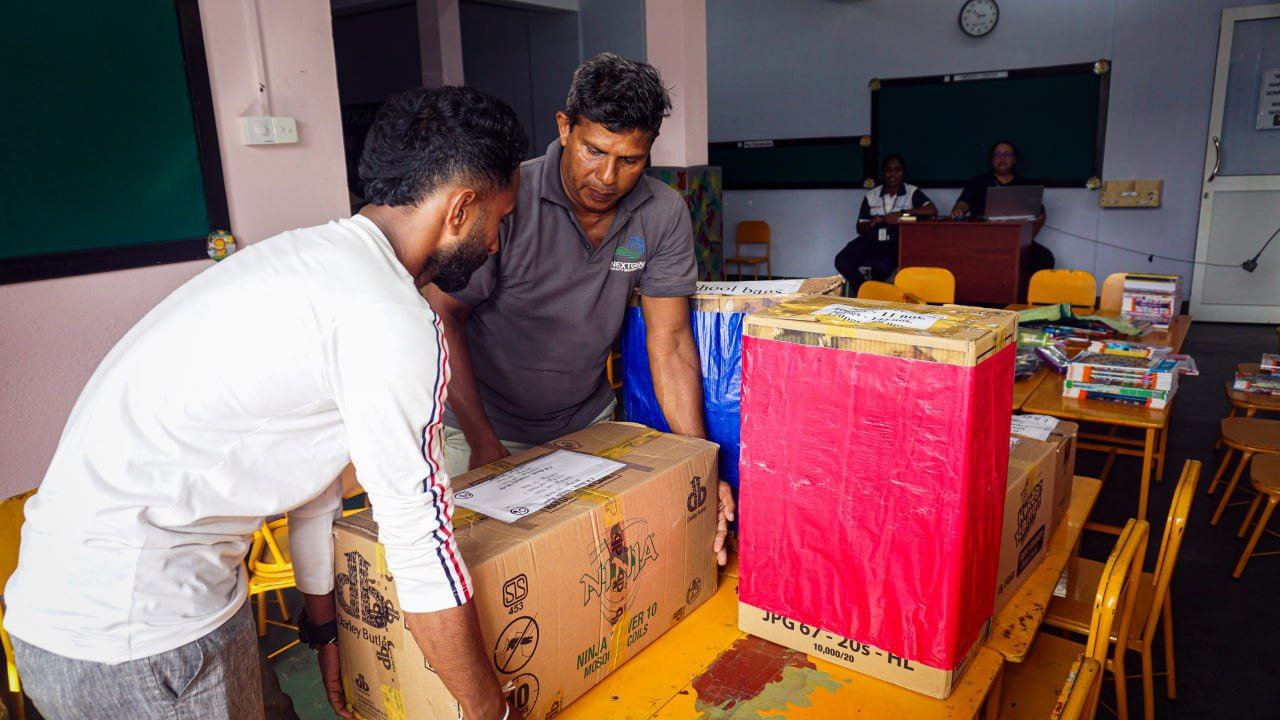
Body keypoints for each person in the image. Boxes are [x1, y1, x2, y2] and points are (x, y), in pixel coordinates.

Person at [3, 87, 527, 720]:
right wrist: (488, 709)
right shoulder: (388, 316)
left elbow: (315, 492)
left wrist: (325, 634)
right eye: (500, 218)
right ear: (461, 207)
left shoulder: (305, 262)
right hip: (138, 639)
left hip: (97, 612)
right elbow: (421, 546)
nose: (496, 243)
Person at [425, 52, 735, 566]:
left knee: (590, 575)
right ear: (565, 127)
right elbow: (443, 316)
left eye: (630, 160)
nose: (607, 177)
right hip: (482, 429)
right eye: (594, 151)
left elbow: (672, 341)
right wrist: (482, 444)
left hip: (588, 428)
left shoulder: (660, 215)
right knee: (487, 582)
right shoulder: (507, 201)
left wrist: (696, 462)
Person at [949, 140, 1055, 273]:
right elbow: (963, 203)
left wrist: (1026, 241)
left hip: (1014, 239)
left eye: (1007, 154)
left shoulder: (1024, 185)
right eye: (997, 154)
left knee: (1044, 258)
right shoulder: (978, 181)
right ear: (991, 160)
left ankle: (1026, 293)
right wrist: (958, 209)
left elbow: (1040, 215)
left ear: (1015, 160)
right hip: (982, 239)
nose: (1002, 158)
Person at [834, 154, 936, 291]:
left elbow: (931, 210)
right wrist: (871, 223)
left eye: (897, 170)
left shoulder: (912, 192)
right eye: (888, 170)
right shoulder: (872, 195)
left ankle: (872, 294)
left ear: (903, 173)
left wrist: (901, 213)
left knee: (882, 265)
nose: (892, 174)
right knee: (842, 260)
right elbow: (860, 227)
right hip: (872, 239)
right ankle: (863, 289)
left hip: (896, 241)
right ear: (883, 173)